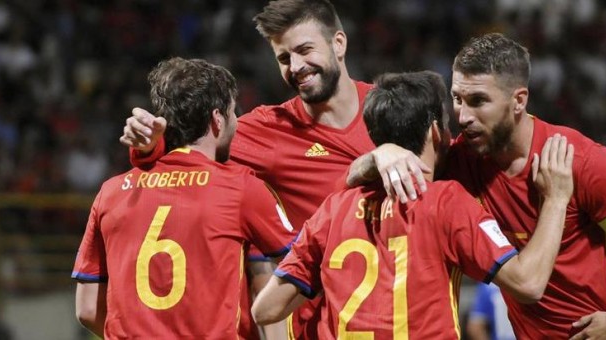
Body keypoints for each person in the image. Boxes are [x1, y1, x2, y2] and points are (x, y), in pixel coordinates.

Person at [119, 0, 429, 338]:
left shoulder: (397, 112)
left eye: (304, 50)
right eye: (284, 58)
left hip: (406, 319)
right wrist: (148, 148)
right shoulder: (266, 130)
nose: (296, 66)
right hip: (320, 329)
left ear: (338, 43)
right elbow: (188, 157)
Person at [348, 32, 606, 338]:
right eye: (457, 99)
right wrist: (379, 156)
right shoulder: (458, 163)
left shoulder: (580, 162)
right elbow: (353, 181)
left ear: (518, 100)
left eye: (478, 101)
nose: (463, 117)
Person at [250, 70, 574, 338]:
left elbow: (265, 310)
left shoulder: (333, 209)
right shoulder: (444, 201)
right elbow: (529, 284)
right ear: (436, 131)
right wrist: (557, 199)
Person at [71, 57, 296, 339]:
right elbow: (303, 262)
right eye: (232, 113)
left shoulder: (112, 191)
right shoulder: (240, 188)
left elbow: (88, 309)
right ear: (217, 120)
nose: (236, 123)